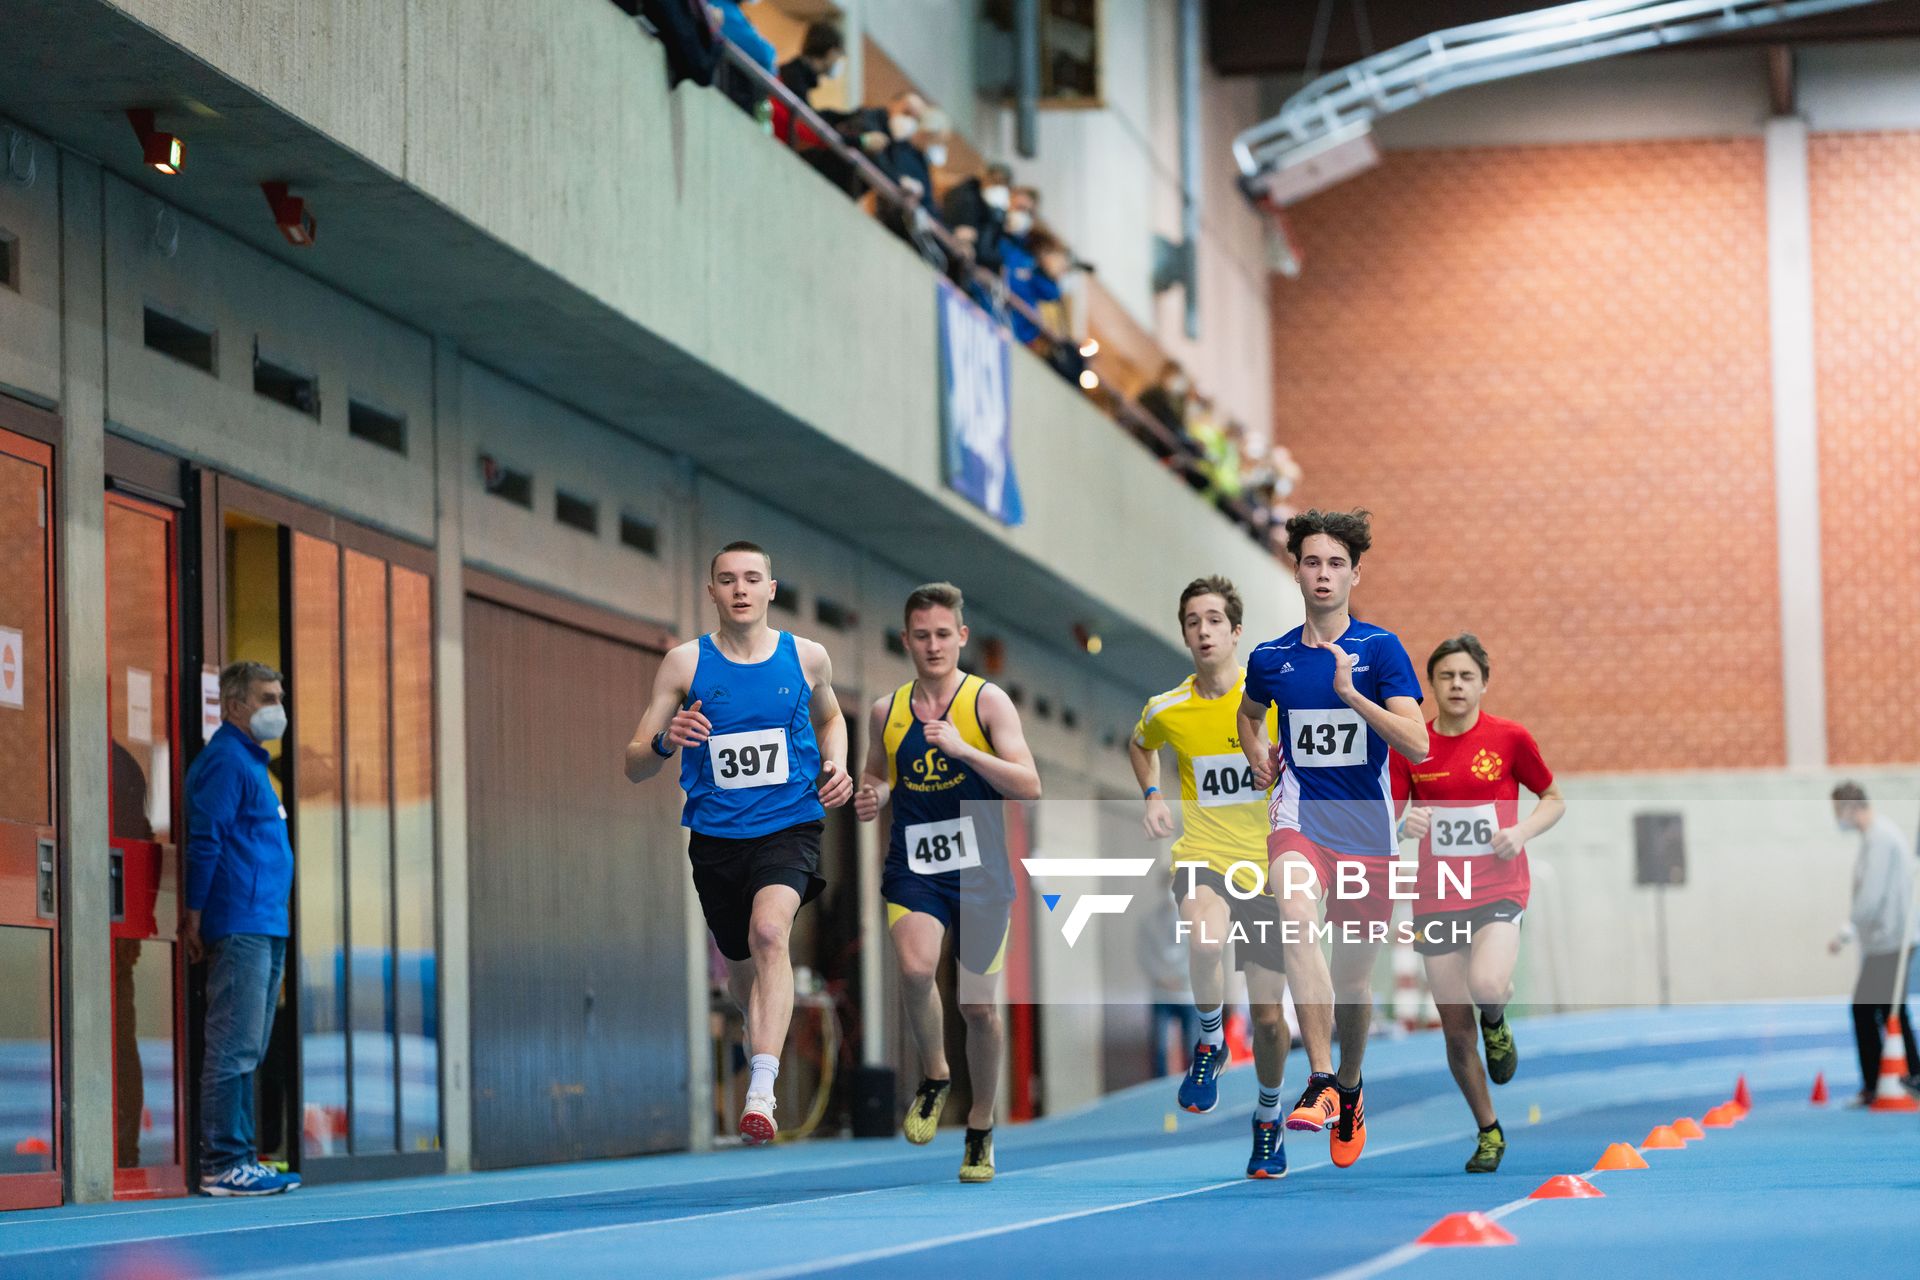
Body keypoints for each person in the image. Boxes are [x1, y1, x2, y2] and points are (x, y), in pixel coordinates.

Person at [624, 541, 855, 1144]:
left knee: (770, 932)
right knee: (743, 972)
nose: (740, 589)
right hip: (717, 838)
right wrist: (665, 742)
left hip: (789, 825)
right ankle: (758, 1031)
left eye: (752, 578)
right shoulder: (683, 664)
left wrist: (837, 765)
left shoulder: (808, 658)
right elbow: (633, 763)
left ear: (771, 589)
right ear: (712, 592)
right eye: (727, 580)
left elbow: (833, 718)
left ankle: (762, 1091)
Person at [1237, 508, 1427, 1170]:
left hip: (1367, 833)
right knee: (1294, 916)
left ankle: (1349, 1088)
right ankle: (1319, 1078)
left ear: (1354, 573)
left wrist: (1355, 697)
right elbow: (1248, 713)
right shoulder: (1270, 657)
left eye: (1336, 563)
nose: (1323, 574)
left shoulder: (1381, 651)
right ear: (1297, 570)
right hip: (1301, 820)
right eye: (1313, 562)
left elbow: (1419, 744)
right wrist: (1258, 751)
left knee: (1353, 979)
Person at [856, 583, 1040, 1183]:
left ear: (960, 637)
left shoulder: (988, 703)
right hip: (916, 861)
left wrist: (965, 750)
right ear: (905, 640)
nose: (932, 645)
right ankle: (935, 1074)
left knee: (978, 1006)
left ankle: (981, 1127)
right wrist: (871, 794)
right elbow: (880, 775)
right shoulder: (887, 710)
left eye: (943, 634)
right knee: (914, 970)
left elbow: (1028, 783)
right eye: (921, 635)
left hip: (981, 866)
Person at [1129, 576, 1291, 1179]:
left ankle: (1268, 1116)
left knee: (1271, 1018)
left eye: (1214, 620)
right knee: (1202, 937)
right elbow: (1139, 745)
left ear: (1235, 631)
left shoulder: (1270, 701)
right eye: (1193, 621)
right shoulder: (1167, 709)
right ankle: (1209, 1039)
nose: (1203, 630)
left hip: (1267, 866)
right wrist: (1151, 794)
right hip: (1203, 854)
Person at [1391, 634, 1565, 1172]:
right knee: (1454, 1028)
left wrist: (1523, 833)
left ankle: (1498, 1018)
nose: (1457, 685)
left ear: (1483, 683)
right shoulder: (1411, 746)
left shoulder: (1510, 738)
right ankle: (1488, 1130)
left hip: (1497, 886)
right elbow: (1388, 814)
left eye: (1467, 676)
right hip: (1437, 896)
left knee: (1487, 985)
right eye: (1446, 677)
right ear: (1432, 686)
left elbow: (1553, 800)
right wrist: (1403, 821)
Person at [183, 661, 301, 1196]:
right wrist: (195, 913)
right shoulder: (227, 762)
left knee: (249, 1047)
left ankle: (242, 1157)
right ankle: (223, 1162)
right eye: (267, 698)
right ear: (234, 706)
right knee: (233, 1046)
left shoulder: (253, 765)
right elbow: (205, 841)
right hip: (240, 922)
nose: (278, 707)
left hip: (266, 921)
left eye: (279, 697)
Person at [1828, 781, 1919, 1104]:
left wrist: (1847, 930)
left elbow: (1871, 895)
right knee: (1890, 1009)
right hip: (1888, 939)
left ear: (1851, 807)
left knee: (1866, 1010)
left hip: (1890, 940)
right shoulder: (1875, 837)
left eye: (1838, 810)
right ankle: (1908, 1077)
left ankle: (1875, 1083)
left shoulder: (1880, 838)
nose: (1837, 818)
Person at [778, 21, 843, 104]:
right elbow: (803, 112)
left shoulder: (796, 75)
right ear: (830, 52)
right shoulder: (793, 77)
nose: (838, 59)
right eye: (838, 53)